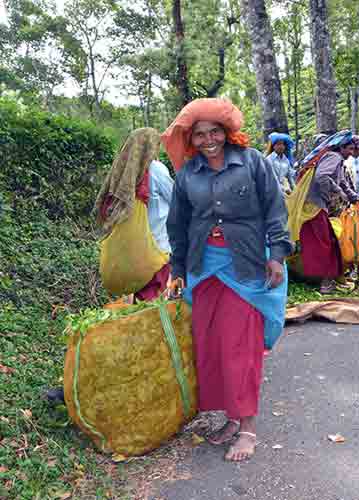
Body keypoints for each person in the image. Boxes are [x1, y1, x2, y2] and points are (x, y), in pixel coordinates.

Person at [161, 98, 292, 462]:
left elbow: (274, 210)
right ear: (192, 139)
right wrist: (178, 269)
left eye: (214, 131)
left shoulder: (252, 162)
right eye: (200, 134)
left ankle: (248, 429)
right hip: (205, 269)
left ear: (227, 132)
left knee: (240, 349)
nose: (208, 140)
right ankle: (231, 420)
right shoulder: (188, 174)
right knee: (211, 348)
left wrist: (278, 256)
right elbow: (178, 225)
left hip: (246, 265)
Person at [46, 128, 173, 405]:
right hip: (156, 259)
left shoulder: (120, 173)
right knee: (150, 323)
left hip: (126, 264)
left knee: (126, 318)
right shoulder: (157, 170)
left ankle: (90, 379)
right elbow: (178, 205)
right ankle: (135, 381)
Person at [287, 131, 359, 294]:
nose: (351, 152)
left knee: (328, 241)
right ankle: (325, 283)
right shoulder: (334, 157)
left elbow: (341, 182)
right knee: (322, 243)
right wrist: (338, 192)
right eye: (349, 149)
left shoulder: (338, 160)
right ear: (341, 147)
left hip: (318, 206)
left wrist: (353, 197)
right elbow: (322, 177)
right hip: (313, 206)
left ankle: (323, 279)